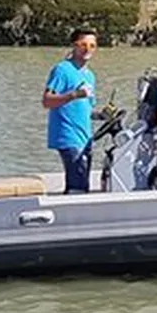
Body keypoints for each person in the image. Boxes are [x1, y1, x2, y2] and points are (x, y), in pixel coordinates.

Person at [42, 28, 101, 194]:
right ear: (74, 46)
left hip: (85, 138)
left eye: (92, 45)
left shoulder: (90, 75)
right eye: (83, 44)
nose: (87, 49)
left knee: (82, 183)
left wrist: (102, 115)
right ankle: (75, 217)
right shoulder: (62, 70)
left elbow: (87, 109)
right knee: (78, 183)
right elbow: (47, 101)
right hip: (68, 136)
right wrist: (74, 94)